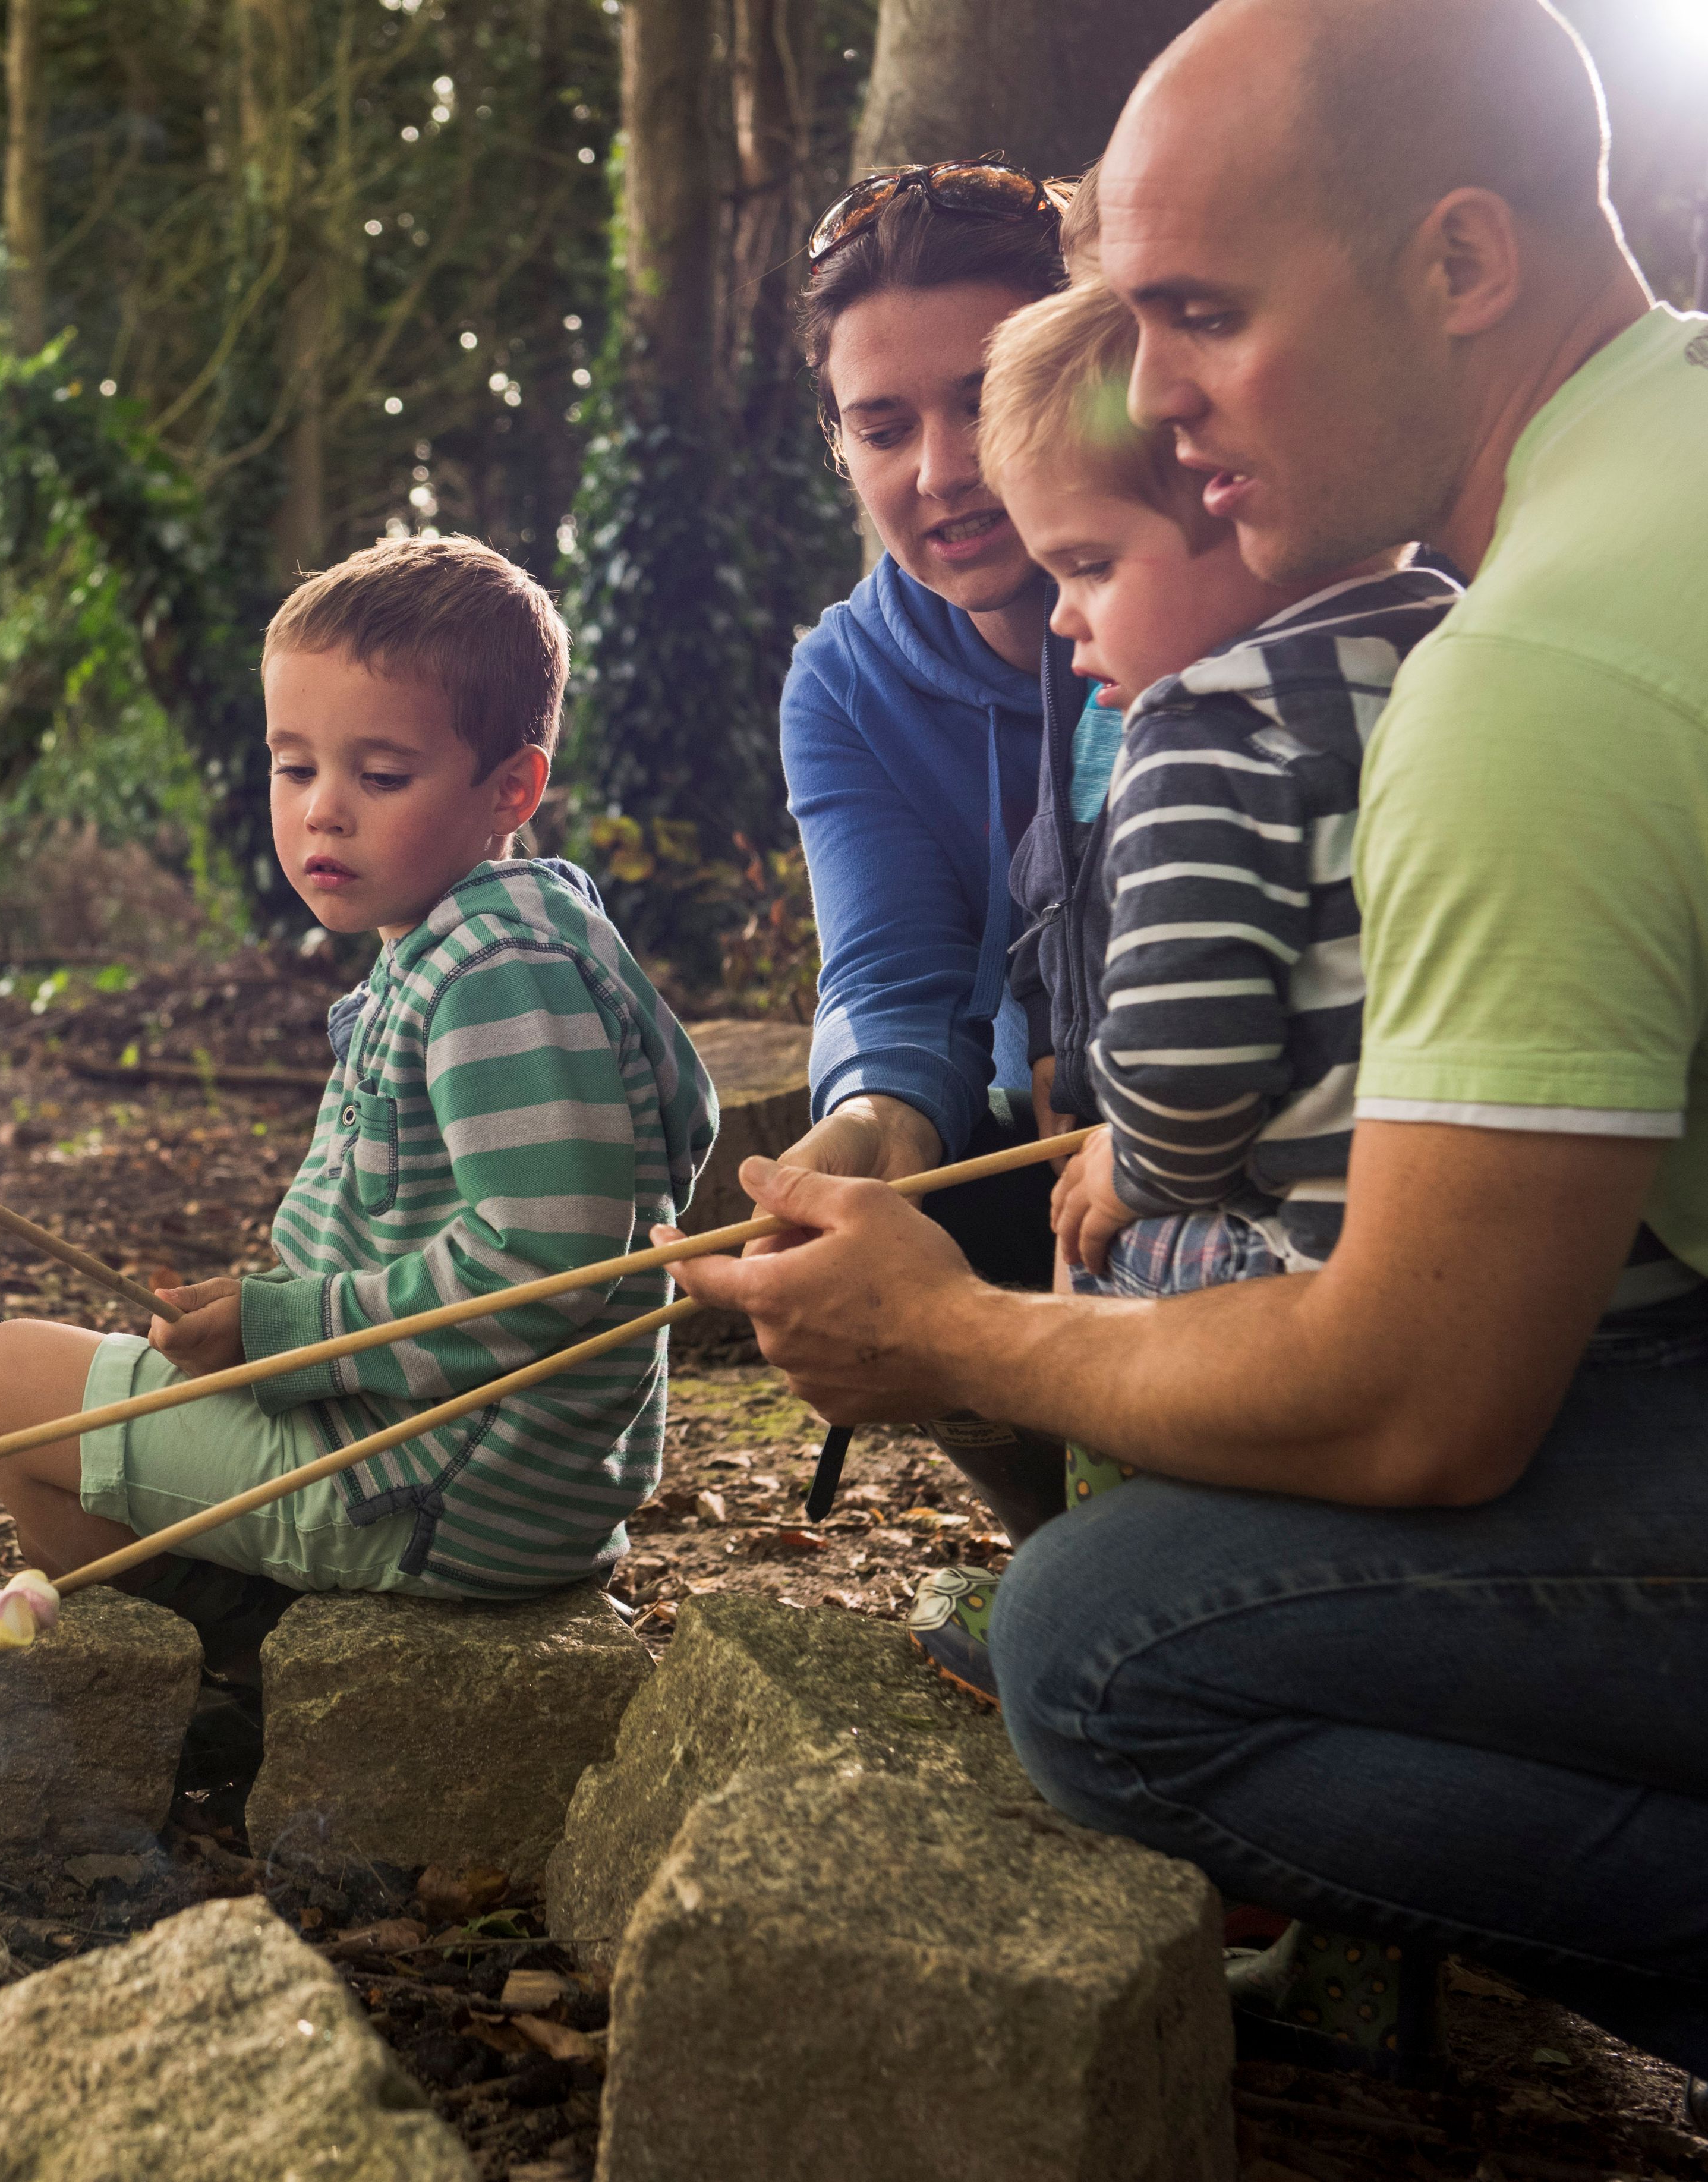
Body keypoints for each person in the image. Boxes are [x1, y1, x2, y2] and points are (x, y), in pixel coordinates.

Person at [672, 0, 1708, 2085]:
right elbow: (896, 968)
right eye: (1129, 324)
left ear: (1457, 262)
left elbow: (1422, 1404)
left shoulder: (1524, 674)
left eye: (1202, 317)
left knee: (1100, 1641)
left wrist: (949, 1341)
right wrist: (894, 1126)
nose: (1146, 402)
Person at [0, 537, 717, 1673]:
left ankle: (225, 1672)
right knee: (64, 1375)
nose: (324, 812)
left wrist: (292, 1332)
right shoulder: (487, 935)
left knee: (9, 1387)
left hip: (435, 1478)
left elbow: (549, 1270)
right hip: (436, 1447)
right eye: (294, 766)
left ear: (511, 786)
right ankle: (243, 1633)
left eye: (381, 775)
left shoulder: (495, 974)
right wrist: (275, 1321)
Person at [906, 270, 1460, 1742]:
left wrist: (1122, 1166)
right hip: (1481, 1235)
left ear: (1230, 503)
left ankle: (1125, 1589)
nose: (1067, 628)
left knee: (1106, 1264)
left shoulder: (1208, 726)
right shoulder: (1445, 638)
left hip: (1320, 1253)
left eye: (1087, 567)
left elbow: (1191, 1063)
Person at [771, 160, 1094, 1541]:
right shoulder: (845, 684)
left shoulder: (1230, 595)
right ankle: (1063, 1536)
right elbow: (893, 972)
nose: (942, 472)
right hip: (1025, 1144)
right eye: (883, 425)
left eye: (982, 398)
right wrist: (873, 1126)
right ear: (837, 442)